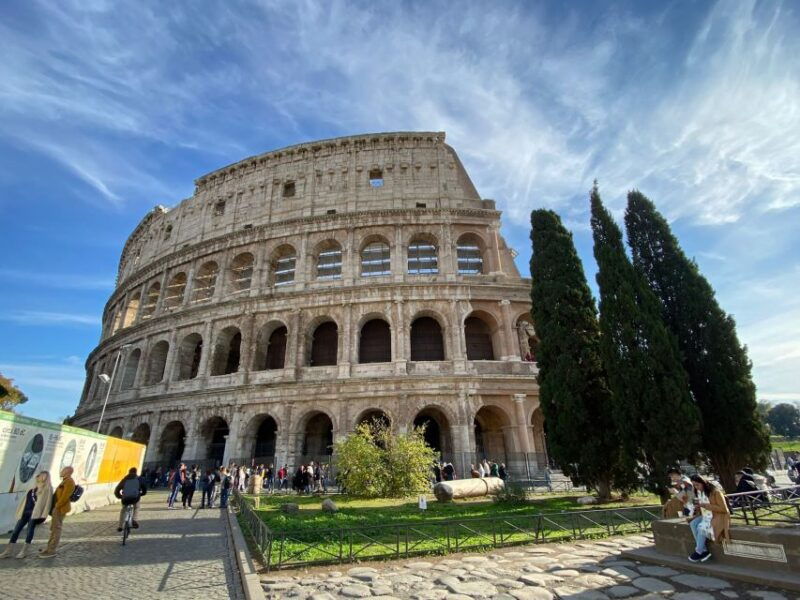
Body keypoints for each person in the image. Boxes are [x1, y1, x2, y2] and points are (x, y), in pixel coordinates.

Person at [0, 471, 53, 559]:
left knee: (29, 531)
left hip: (34, 514)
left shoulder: (48, 488)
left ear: (45, 477)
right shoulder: (33, 486)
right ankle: (8, 551)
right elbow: (26, 499)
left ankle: (24, 551)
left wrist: (44, 514)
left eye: (40, 476)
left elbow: (48, 503)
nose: (38, 476)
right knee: (16, 530)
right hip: (25, 512)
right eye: (38, 475)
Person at [687, 474, 730, 563]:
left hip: (717, 516)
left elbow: (724, 509)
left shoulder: (715, 492)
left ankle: (699, 551)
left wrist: (705, 505)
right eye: (694, 485)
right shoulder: (699, 492)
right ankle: (704, 551)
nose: (696, 487)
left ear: (703, 482)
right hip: (706, 515)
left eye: (697, 485)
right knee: (693, 523)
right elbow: (703, 507)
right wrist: (698, 507)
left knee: (701, 527)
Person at [39, 466, 75, 558]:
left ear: (68, 472)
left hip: (60, 509)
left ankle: (51, 550)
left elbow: (65, 496)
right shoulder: (65, 480)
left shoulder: (69, 482)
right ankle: (49, 548)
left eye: (63, 470)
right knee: (54, 529)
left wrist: (57, 506)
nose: (61, 471)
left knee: (56, 529)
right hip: (57, 508)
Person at [114, 467, 147, 531]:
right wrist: (142, 494)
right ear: (136, 472)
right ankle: (134, 520)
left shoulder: (125, 479)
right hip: (135, 498)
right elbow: (144, 488)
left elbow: (117, 490)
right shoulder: (139, 479)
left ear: (129, 472)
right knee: (137, 507)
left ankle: (120, 526)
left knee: (123, 510)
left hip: (125, 499)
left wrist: (120, 496)